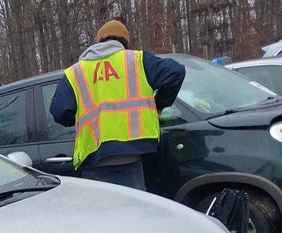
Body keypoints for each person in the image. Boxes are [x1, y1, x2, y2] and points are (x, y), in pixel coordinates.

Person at [49, 19, 185, 190]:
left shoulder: (76, 72)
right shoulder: (137, 60)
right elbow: (176, 72)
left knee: (103, 215)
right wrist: (159, 105)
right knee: (133, 212)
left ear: (98, 42)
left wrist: (79, 118)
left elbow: (59, 111)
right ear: (125, 43)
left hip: (94, 159)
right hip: (132, 155)